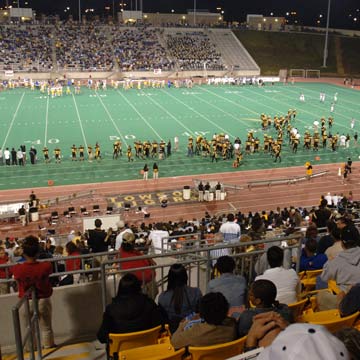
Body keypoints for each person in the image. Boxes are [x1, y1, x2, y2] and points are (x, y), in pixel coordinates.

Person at [12, 236, 55, 348]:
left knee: (29, 329)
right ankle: (48, 348)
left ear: (24, 253)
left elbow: (16, 280)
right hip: (43, 299)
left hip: (26, 301)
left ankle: (32, 349)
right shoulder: (46, 266)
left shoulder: (17, 269)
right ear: (37, 252)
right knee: (46, 327)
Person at [97, 273, 163, 346]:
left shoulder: (111, 309)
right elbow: (160, 326)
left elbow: (101, 336)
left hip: (122, 354)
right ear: (138, 287)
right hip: (147, 350)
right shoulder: (149, 304)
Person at [171, 292, 237, 349]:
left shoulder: (193, 333)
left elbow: (174, 342)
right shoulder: (232, 327)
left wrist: (182, 324)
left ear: (202, 314)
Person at [158, 263, 202, 333]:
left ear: (170, 278)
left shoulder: (162, 297)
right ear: (185, 277)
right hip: (193, 331)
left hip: (172, 334)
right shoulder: (196, 292)